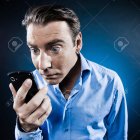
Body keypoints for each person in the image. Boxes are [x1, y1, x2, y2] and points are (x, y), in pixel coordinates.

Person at [9, 5, 128, 140]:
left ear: (77, 43)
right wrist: (26, 128)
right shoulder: (30, 86)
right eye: (34, 50)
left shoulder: (110, 82)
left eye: (54, 48)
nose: (42, 65)